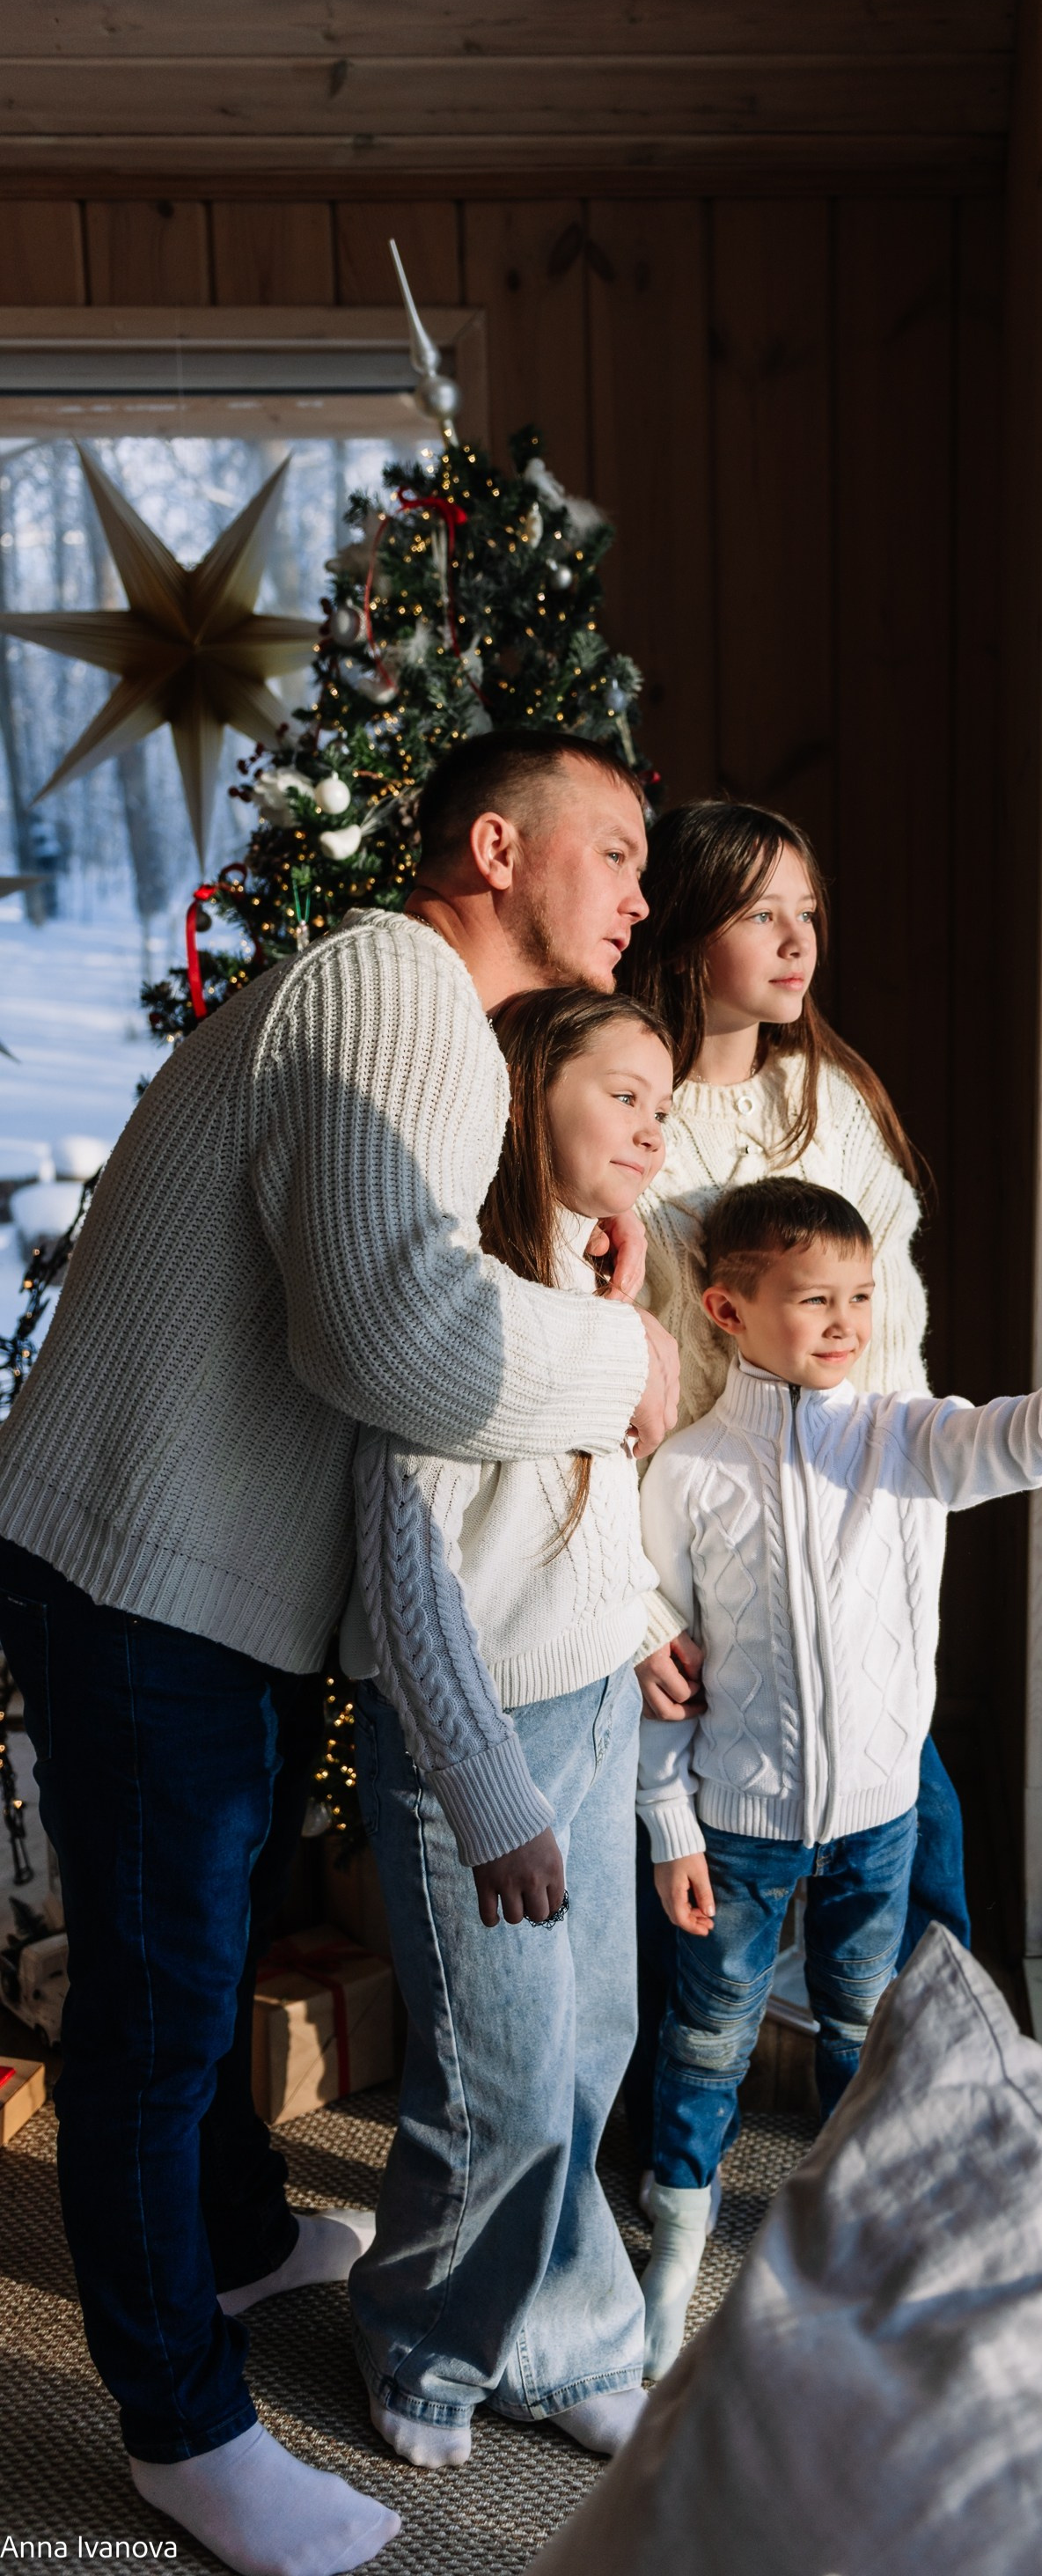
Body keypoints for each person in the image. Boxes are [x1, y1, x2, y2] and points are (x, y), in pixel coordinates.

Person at [0, 727, 679, 2576]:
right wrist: (626, 1359)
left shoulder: (422, 1016)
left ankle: (228, 2241)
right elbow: (399, 1333)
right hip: (145, 1573)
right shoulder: (394, 986)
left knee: (198, 1959)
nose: (639, 894)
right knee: (154, 2018)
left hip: (192, 1572)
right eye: (615, 852)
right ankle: (179, 2429)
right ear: (495, 848)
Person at [633, 1176, 1042, 2376]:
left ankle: (852, 2228)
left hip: (878, 1820)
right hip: (736, 1824)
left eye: (860, 1296)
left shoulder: (902, 1439)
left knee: (865, 2027)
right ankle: (675, 2239)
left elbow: (1026, 1433)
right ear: (727, 1310)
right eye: (813, 1298)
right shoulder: (688, 1473)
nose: (845, 1321)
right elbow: (665, 1675)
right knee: (709, 2035)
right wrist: (668, 1825)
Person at [344, 987, 679, 2468]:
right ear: (527, 1094)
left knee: (591, 2042)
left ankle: (563, 2341)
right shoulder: (459, 1301)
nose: (651, 1130)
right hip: (471, 1732)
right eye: (621, 1095)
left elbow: (578, 1517)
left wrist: (641, 1626)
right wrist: (486, 1792)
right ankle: (423, 2342)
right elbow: (410, 1567)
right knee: (499, 2077)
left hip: (591, 1697)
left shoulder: (589, 1288)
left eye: (662, 1105)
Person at [620, 798, 966, 2182]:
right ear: (684, 926)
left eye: (807, 912)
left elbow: (897, 1333)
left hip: (860, 1542)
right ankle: (666, 2165)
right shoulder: (628, 1104)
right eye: (760, 912)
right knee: (697, 1887)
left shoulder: (829, 1098)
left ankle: (931, 2139)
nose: (796, 940)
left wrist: (904, 1525)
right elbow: (616, 1383)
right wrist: (640, 1603)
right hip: (710, 1559)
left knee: (914, 1844)